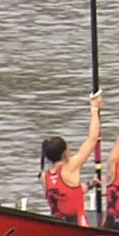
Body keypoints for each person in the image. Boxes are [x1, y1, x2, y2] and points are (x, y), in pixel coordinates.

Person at [40, 93, 103, 226]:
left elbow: (67, 196)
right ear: (65, 154)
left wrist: (90, 185)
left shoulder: (44, 177)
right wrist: (95, 109)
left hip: (56, 226)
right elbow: (92, 139)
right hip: (80, 227)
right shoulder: (71, 166)